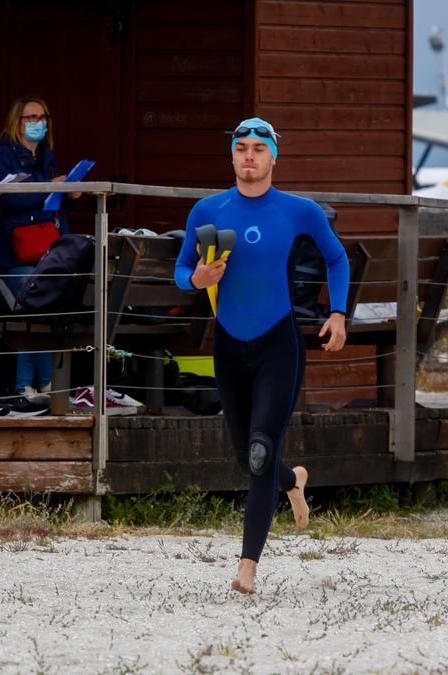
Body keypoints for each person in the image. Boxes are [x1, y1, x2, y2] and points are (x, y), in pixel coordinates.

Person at [174, 117, 349, 594]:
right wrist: (196, 281)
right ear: (231, 156)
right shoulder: (208, 210)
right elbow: (182, 265)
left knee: (257, 452)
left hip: (279, 344)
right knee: (245, 454)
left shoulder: (299, 211)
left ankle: (247, 567)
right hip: (228, 345)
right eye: (241, 147)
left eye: (259, 148)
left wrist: (337, 313)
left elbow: (337, 257)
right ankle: (292, 480)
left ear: (274, 157)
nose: (249, 155)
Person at [0, 96, 76, 416]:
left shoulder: (46, 154)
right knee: (31, 312)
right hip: (15, 249)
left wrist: (69, 192)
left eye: (43, 116)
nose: (37, 122)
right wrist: (52, 185)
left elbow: (49, 201)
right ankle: (25, 385)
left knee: (43, 312)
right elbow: (8, 199)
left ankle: (44, 383)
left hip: (46, 247)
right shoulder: (3, 153)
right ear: (16, 122)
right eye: (30, 117)